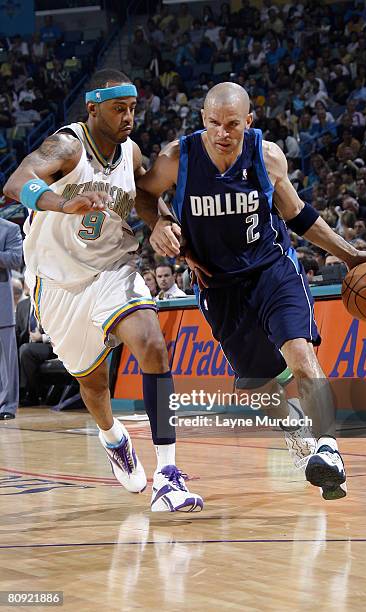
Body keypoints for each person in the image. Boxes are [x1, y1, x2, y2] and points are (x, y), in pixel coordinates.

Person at [137, 82, 366, 501]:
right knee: (260, 384)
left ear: (248, 122)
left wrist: (348, 255)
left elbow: (297, 214)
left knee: (301, 354)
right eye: (214, 123)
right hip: (218, 286)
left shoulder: (266, 156)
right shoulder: (178, 158)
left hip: (272, 270)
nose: (223, 132)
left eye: (233, 124)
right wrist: (160, 222)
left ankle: (329, 448)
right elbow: (145, 193)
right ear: (203, 120)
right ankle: (297, 435)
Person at [4, 69, 202, 513]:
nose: (128, 117)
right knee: (92, 384)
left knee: (152, 343)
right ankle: (113, 437)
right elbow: (18, 181)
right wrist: (60, 201)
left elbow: (147, 196)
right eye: (119, 109)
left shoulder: (131, 154)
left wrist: (161, 223)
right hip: (57, 282)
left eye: (132, 108)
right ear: (92, 109)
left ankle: (168, 476)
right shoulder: (68, 145)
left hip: (113, 266)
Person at [15, 288, 56, 406]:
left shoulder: (50, 303)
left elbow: (60, 333)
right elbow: (17, 332)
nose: (27, 286)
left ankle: (28, 393)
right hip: (27, 346)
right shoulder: (22, 305)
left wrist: (41, 337)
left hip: (49, 346)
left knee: (25, 351)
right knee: (16, 351)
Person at [0, 218, 22, 420]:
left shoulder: (10, 229)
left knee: (6, 361)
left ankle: (7, 406)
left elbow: (16, 258)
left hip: (2, 304)